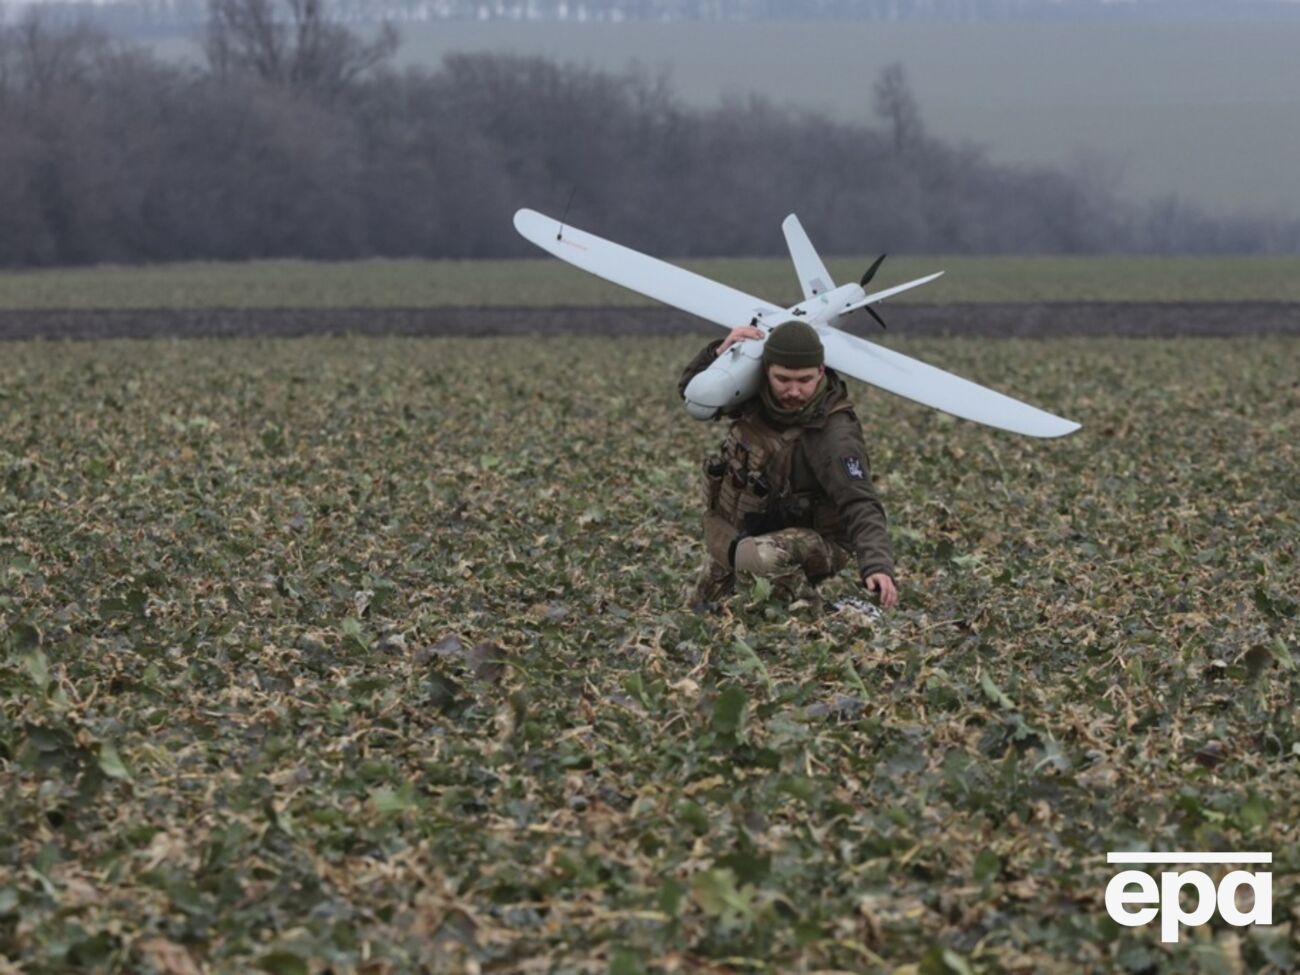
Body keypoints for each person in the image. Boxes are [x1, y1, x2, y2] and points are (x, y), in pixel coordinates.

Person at [680, 320, 898, 611]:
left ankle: (824, 612)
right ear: (766, 370)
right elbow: (693, 395)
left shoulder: (834, 437)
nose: (794, 391)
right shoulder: (755, 397)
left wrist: (877, 566)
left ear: (820, 372)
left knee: (755, 558)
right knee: (700, 608)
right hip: (757, 529)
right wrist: (719, 352)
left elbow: (860, 502)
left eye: (805, 380)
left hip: (820, 541)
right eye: (783, 379)